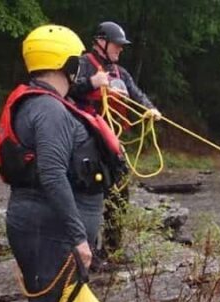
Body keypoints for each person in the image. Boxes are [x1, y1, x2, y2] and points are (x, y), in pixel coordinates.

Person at [0, 24, 124, 302]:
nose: (80, 67)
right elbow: (52, 174)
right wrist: (78, 237)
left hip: (45, 228)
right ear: (65, 62)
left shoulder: (46, 104)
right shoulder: (48, 111)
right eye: (76, 61)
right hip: (49, 230)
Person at [68, 21, 161, 262]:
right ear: (101, 42)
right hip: (84, 142)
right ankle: (84, 250)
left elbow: (137, 94)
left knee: (119, 193)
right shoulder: (83, 65)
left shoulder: (121, 73)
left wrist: (150, 109)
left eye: (121, 45)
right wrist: (92, 83)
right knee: (89, 196)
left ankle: (112, 250)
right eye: (117, 45)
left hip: (109, 143)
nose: (120, 49)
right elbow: (67, 90)